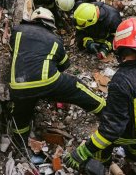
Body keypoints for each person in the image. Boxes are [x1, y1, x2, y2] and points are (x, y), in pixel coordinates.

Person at [64, 18, 136, 169]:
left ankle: (105, 164)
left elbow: (112, 129)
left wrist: (83, 151)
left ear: (120, 48)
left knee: (103, 146)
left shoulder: (121, 81)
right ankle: (134, 158)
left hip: (129, 135)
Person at [8, 8, 106, 146]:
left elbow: (14, 54)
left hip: (18, 85)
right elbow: (64, 65)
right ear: (51, 24)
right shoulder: (55, 39)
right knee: (76, 86)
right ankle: (104, 109)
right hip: (47, 81)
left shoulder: (17, 31)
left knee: (21, 114)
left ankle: (20, 144)